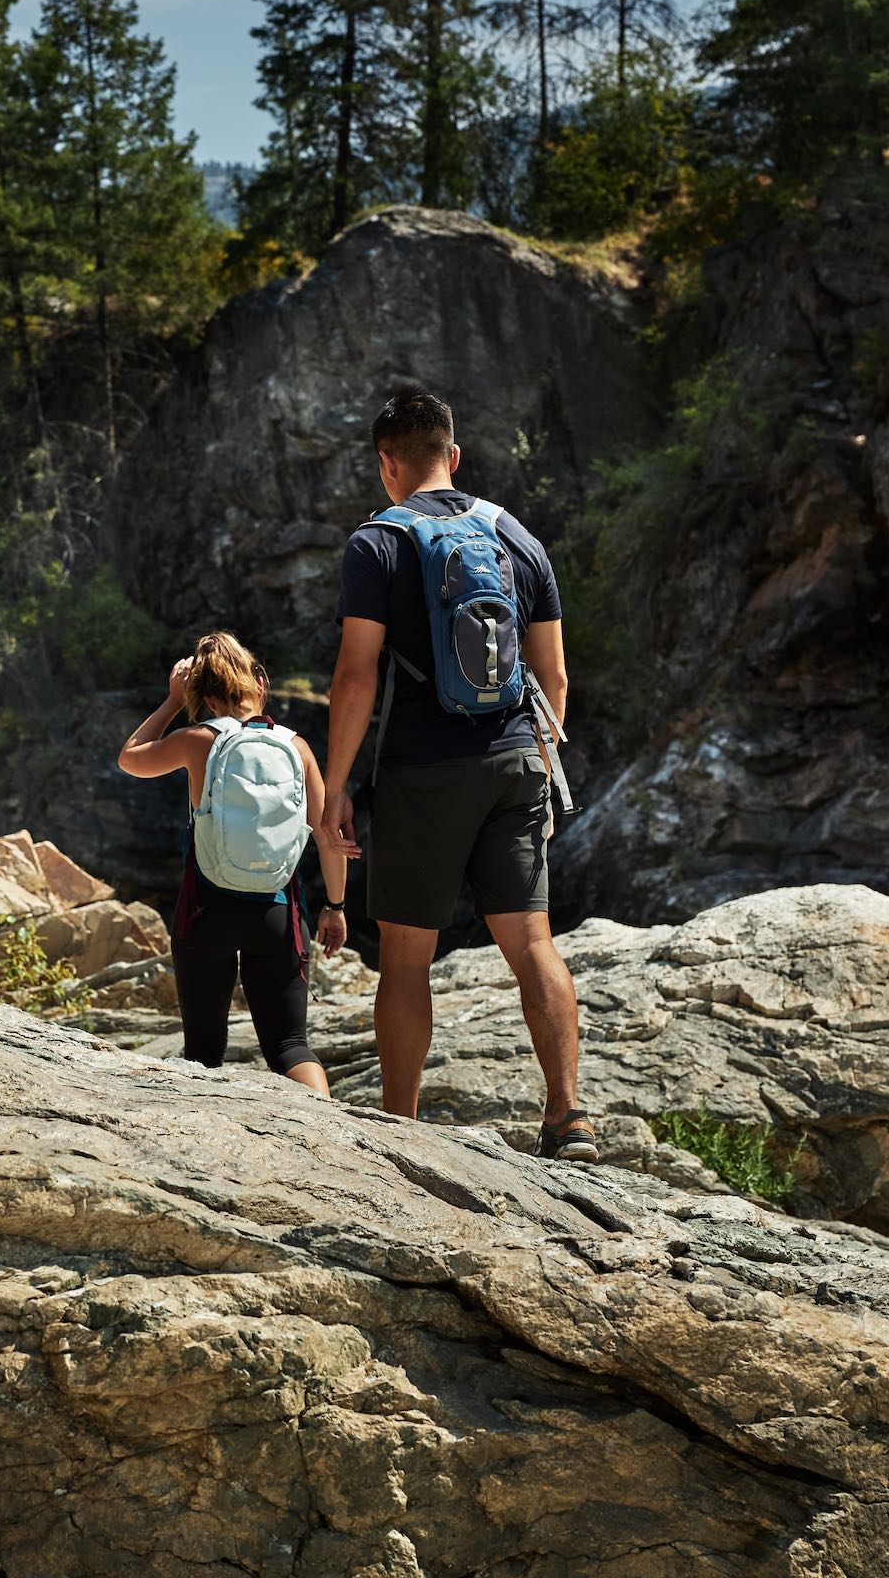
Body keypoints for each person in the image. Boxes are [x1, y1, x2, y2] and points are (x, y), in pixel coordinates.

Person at [319, 388, 595, 1159]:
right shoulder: (517, 536)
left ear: (387, 465)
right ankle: (568, 1117)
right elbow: (556, 680)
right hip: (515, 760)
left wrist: (336, 785)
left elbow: (356, 674)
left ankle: (401, 1130)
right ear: (455, 454)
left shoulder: (377, 544)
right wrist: (536, 772)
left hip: (421, 767)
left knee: (407, 956)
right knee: (533, 942)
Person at [117, 631, 342, 1095]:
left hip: (206, 913)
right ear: (260, 686)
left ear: (207, 697)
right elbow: (326, 836)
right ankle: (331, 1129)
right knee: (291, 1047)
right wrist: (335, 906)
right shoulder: (296, 747)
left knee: (203, 1052)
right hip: (278, 915)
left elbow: (130, 758)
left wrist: (172, 701)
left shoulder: (197, 739)